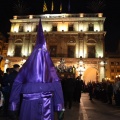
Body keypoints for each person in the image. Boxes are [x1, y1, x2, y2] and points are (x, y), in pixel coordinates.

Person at [8, 19, 65, 120]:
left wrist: (13, 106)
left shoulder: (25, 67)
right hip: (41, 104)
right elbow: (57, 87)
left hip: (31, 104)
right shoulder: (50, 68)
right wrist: (59, 107)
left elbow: (16, 86)